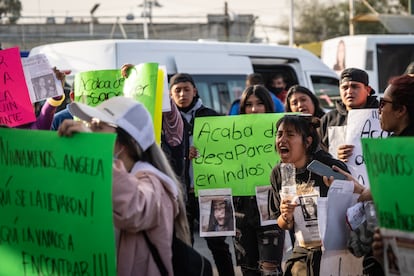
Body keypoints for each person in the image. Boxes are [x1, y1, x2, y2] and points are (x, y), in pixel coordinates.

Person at [57, 96, 190, 276]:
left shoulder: (153, 184)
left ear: (124, 143)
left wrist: (92, 150)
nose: (88, 129)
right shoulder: (113, 179)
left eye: (97, 126)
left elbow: (132, 208)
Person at [170, 72, 235, 276]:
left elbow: (227, 149)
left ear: (195, 91)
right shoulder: (166, 120)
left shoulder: (211, 116)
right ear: (170, 95)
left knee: (218, 244)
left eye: (186, 89)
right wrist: (182, 153)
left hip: (212, 190)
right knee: (184, 243)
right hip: (181, 193)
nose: (182, 94)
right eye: (177, 90)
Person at [269, 115, 349, 276]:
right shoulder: (278, 173)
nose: (282, 140)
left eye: (290, 135)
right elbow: (281, 223)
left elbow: (355, 209)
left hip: (336, 252)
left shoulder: (329, 168)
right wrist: (286, 216)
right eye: (279, 134)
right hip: (303, 251)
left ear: (307, 141)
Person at [232, 84, 285, 276]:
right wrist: (200, 154)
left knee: (270, 270)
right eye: (249, 105)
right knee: (248, 270)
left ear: (268, 106)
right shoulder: (230, 134)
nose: (254, 109)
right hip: (241, 212)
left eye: (260, 104)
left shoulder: (281, 134)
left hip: (271, 210)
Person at [319, 68, 378, 162]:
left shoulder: (381, 116)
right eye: (344, 87)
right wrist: (334, 156)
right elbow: (320, 154)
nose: (349, 91)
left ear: (368, 90)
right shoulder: (328, 119)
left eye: (355, 86)